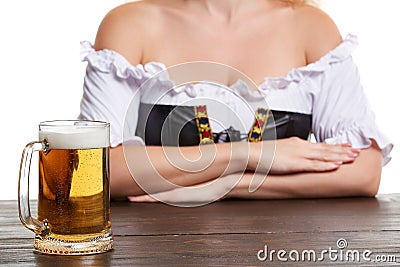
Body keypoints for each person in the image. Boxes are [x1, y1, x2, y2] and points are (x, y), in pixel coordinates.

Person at [79, 0, 392, 203]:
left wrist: (221, 185)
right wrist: (249, 154)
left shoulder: (311, 27)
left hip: (284, 251)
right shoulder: (131, 23)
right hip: (154, 249)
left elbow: (364, 171)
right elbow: (96, 170)